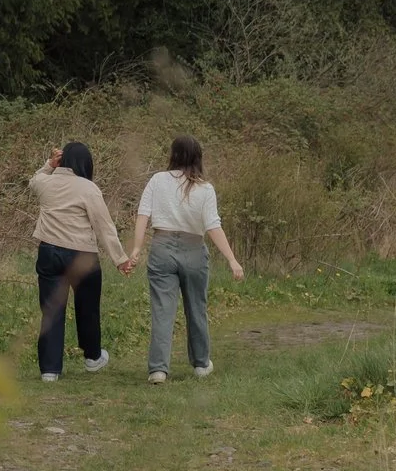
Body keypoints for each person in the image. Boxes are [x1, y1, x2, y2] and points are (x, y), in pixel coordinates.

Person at [122, 135, 244, 383]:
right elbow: (213, 226)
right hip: (194, 249)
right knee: (196, 307)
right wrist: (232, 259)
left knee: (162, 310)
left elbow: (143, 214)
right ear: (198, 157)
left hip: (161, 247)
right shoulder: (205, 189)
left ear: (173, 155)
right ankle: (200, 364)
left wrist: (136, 248)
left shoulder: (157, 180)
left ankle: (158, 369)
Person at [27, 141, 130, 382]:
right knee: (88, 308)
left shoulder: (46, 182)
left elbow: (33, 181)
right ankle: (92, 357)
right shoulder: (88, 188)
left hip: (49, 252)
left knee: (51, 310)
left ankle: (50, 370)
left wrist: (48, 165)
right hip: (82, 255)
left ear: (62, 161)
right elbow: (104, 227)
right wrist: (120, 259)